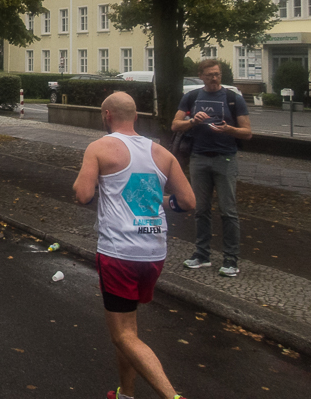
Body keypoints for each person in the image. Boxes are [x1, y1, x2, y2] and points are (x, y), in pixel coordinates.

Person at [73, 92, 196, 399]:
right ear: (136, 117)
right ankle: (126, 393)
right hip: (154, 253)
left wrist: (89, 179)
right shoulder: (161, 152)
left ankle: (173, 396)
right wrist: (161, 201)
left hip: (119, 253)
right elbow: (188, 202)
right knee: (129, 330)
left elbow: (83, 194)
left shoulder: (99, 147)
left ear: (106, 116)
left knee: (123, 335)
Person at [171, 58, 251, 277]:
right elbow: (175, 124)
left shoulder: (233, 98)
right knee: (201, 209)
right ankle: (202, 254)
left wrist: (228, 129)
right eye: (210, 75)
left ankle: (231, 259)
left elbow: (248, 131)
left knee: (228, 211)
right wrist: (193, 122)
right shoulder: (192, 97)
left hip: (225, 159)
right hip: (198, 158)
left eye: (217, 74)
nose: (214, 78)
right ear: (202, 76)